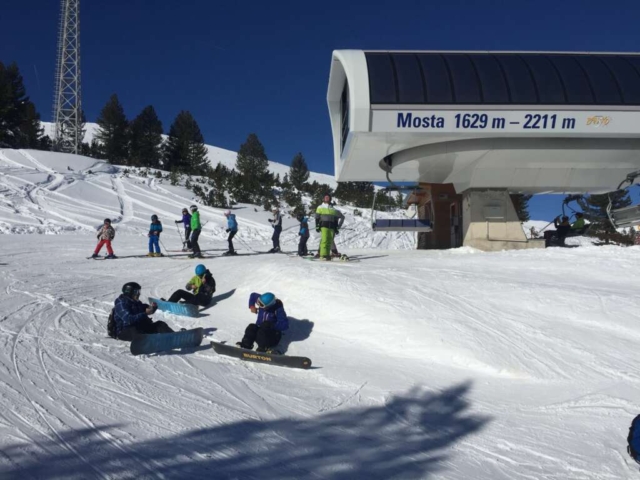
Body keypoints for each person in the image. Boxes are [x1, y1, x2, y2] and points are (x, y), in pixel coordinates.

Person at [314, 194, 345, 260]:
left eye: (328, 197)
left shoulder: (333, 209)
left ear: (330, 199)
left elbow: (341, 217)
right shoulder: (320, 207)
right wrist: (317, 226)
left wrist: (338, 227)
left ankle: (327, 254)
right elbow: (317, 217)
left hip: (332, 227)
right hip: (324, 225)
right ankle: (322, 254)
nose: (327, 198)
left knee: (329, 240)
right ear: (323, 199)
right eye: (325, 197)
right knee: (324, 239)